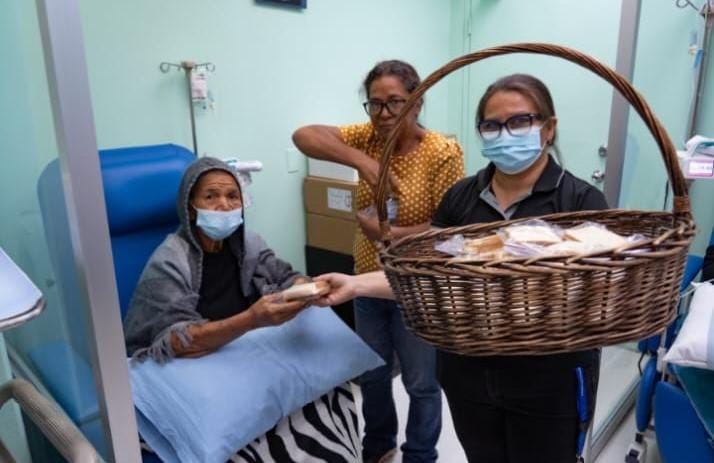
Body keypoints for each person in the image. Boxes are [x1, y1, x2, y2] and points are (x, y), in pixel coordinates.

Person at [315, 74, 608, 463]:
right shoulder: (462, 198)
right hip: (468, 374)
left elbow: (596, 296)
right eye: (491, 125)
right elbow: (426, 276)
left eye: (519, 121)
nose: (505, 134)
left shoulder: (581, 201)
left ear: (548, 128)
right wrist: (355, 284)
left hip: (548, 381)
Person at [124, 157, 361, 462]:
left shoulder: (248, 243)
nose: (224, 205)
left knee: (332, 391)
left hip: (239, 348)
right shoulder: (170, 259)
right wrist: (252, 320)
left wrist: (306, 288)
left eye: (232, 196)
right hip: (191, 361)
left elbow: (285, 275)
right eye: (211, 196)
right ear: (190, 206)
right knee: (253, 436)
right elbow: (177, 342)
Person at [293, 60, 464, 463]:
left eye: (395, 103)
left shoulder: (442, 152)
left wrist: (388, 234)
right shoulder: (368, 137)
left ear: (417, 103)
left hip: (417, 286)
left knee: (421, 382)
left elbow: (449, 230)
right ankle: (378, 444)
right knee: (371, 372)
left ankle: (420, 454)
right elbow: (304, 135)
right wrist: (363, 162)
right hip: (366, 279)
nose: (384, 114)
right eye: (375, 104)